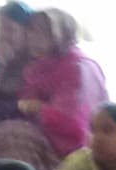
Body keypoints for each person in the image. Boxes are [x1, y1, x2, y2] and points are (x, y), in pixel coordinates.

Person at [16, 8, 108, 159]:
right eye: (31, 30)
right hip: (46, 139)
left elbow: (76, 125)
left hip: (77, 153)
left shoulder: (79, 67)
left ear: (62, 34)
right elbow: (24, 102)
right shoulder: (40, 65)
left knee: (11, 137)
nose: (33, 37)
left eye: (43, 32)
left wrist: (38, 107)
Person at [0, 2, 34, 132]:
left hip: (20, 120)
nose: (2, 35)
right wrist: (2, 65)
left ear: (27, 32)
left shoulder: (37, 55)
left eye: (9, 29)